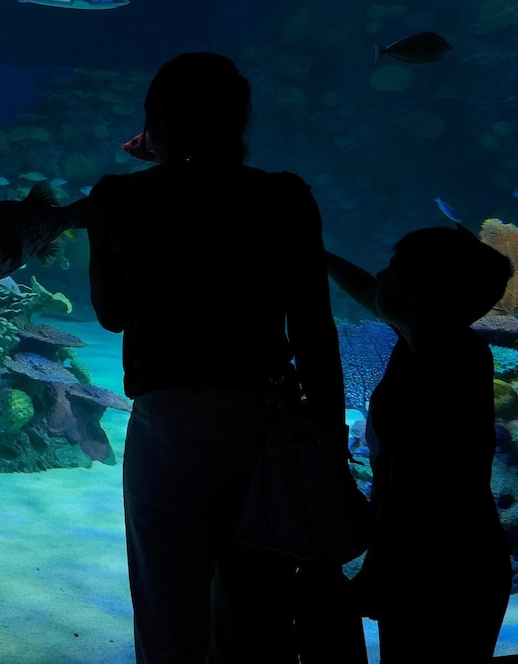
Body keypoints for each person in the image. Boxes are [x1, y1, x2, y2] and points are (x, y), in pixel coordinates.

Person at [86, 52, 346, 663]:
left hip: (168, 422)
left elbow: (111, 314)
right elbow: (314, 328)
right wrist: (327, 443)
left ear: (153, 120)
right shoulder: (284, 197)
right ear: (240, 119)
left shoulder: (119, 197)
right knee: (257, 615)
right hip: (265, 420)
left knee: (166, 607)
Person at [326, 228, 512, 660]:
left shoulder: (431, 379)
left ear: (415, 301)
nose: (378, 275)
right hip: (464, 554)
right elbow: (372, 293)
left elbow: (416, 490)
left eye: (391, 272)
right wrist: (319, 256)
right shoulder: (454, 344)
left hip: (438, 565)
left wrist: (377, 572)